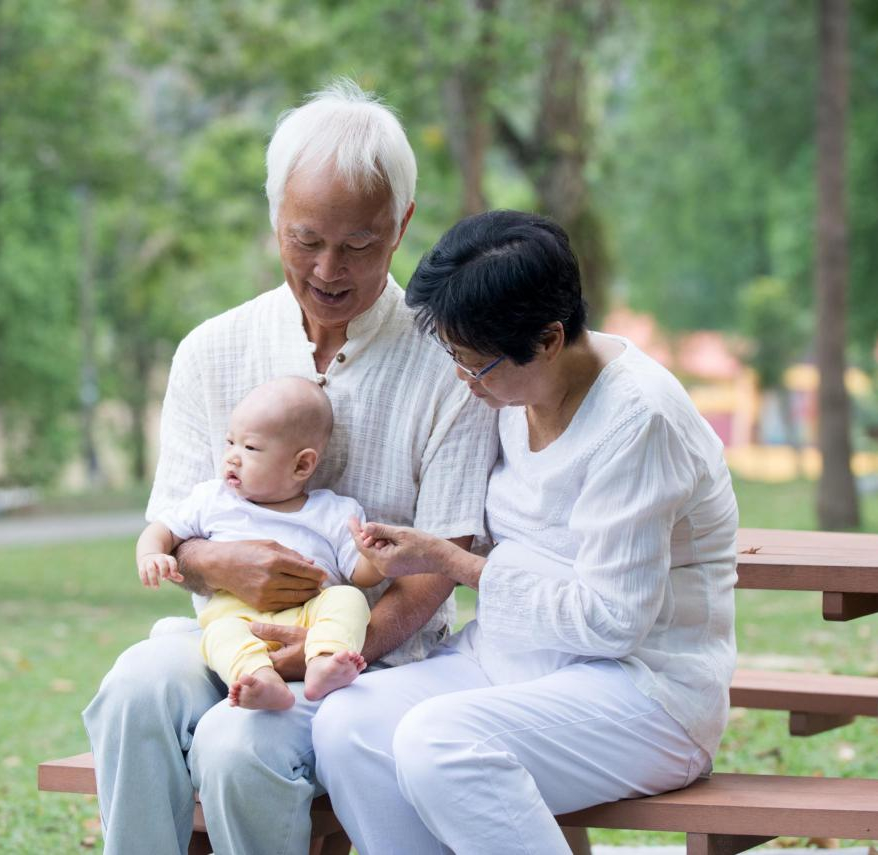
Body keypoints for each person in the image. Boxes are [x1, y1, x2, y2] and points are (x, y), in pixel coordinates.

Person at [82, 80, 497, 855]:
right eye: (306, 240)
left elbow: (433, 572)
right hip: (223, 630)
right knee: (131, 691)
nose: (329, 269)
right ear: (276, 218)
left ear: (402, 224)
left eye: (361, 244)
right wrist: (218, 559)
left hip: (368, 660)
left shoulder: (450, 365)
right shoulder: (212, 349)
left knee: (237, 747)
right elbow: (174, 526)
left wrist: (325, 649)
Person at [312, 210, 740, 854]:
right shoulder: (512, 396)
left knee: (439, 743)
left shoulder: (638, 422)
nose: (463, 380)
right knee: (349, 724)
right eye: (453, 358)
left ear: (547, 339)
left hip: (644, 692)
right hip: (515, 664)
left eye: (476, 365)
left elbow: (612, 622)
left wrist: (455, 565)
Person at [136, 376, 385, 711]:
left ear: (302, 464)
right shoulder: (213, 500)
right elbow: (162, 529)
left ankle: (325, 661)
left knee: (349, 599)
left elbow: (362, 576)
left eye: (250, 448)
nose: (233, 457)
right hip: (238, 617)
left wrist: (375, 556)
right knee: (218, 634)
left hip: (308, 619)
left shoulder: (333, 512)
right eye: (230, 442)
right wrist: (152, 554)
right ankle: (260, 680)